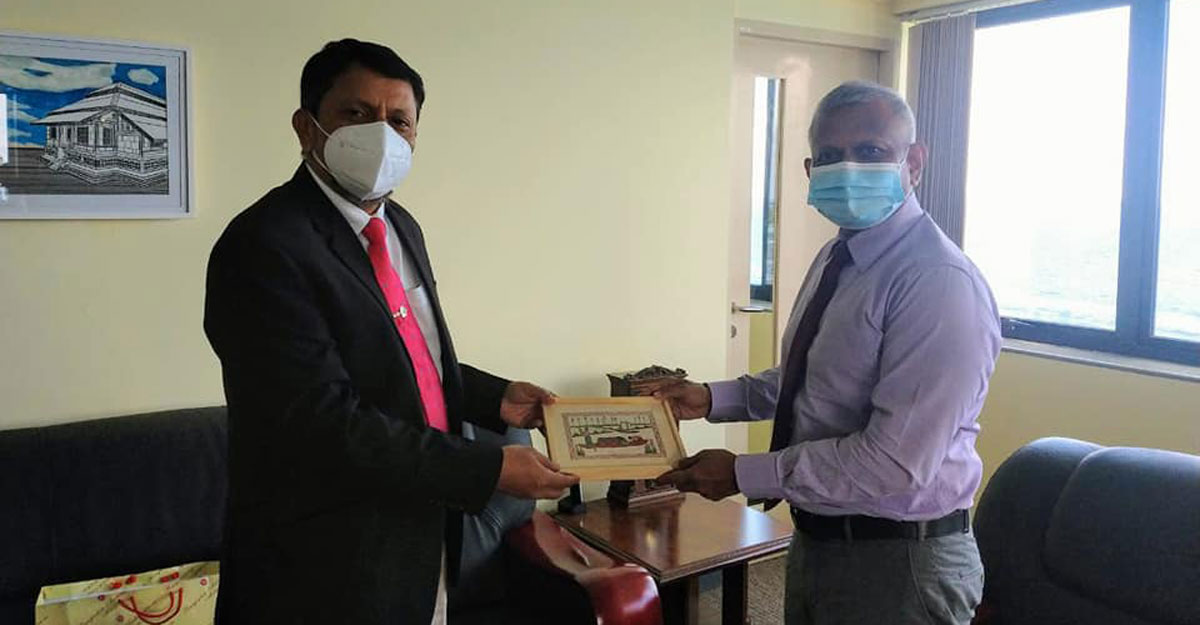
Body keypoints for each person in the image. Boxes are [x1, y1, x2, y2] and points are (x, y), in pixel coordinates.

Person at [203, 39, 578, 625]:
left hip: (420, 545)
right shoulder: (264, 244)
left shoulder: (400, 226)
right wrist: (488, 469)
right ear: (306, 127)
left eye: (398, 121)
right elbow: (319, 420)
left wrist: (494, 398)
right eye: (356, 114)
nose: (380, 135)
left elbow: (403, 357)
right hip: (319, 567)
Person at [656, 80, 1001, 625]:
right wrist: (708, 398)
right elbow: (808, 380)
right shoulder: (838, 257)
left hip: (900, 561)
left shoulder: (936, 281)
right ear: (809, 171)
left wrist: (744, 473)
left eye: (870, 151)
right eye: (830, 156)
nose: (848, 168)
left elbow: (894, 464)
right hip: (820, 538)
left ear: (913, 162)